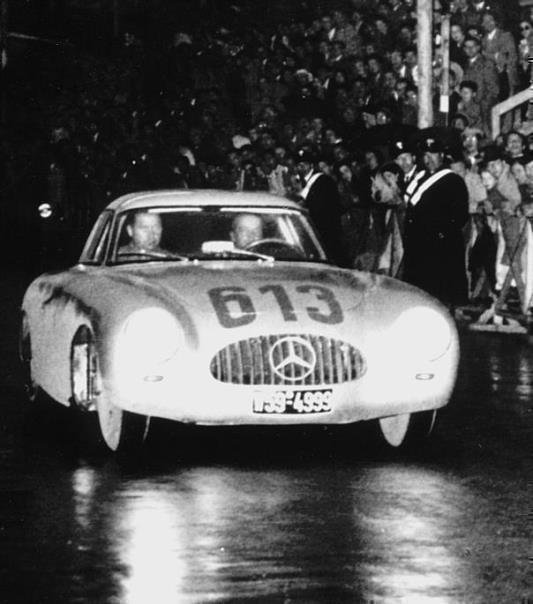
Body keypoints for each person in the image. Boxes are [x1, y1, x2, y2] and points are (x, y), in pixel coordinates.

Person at [403, 137, 470, 309]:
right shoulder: (419, 177)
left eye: (432, 154)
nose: (428, 159)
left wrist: (441, 232)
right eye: (425, 155)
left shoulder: (452, 180)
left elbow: (459, 216)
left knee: (441, 293)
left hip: (441, 244)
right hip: (418, 243)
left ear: (441, 155)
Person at [294, 147, 348, 266]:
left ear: (311, 165)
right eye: (298, 165)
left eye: (304, 165)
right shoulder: (300, 181)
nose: (300, 168)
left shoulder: (322, 180)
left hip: (325, 229)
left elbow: (318, 206)